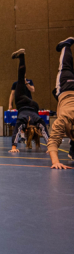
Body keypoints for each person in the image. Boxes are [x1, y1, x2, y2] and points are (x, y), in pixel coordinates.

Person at [9, 49, 48, 153]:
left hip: (34, 105)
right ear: (26, 131)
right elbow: (16, 131)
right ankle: (21, 56)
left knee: (21, 79)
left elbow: (44, 132)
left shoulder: (38, 121)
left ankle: (21, 56)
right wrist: (14, 147)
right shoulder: (22, 121)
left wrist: (50, 147)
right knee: (21, 78)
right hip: (21, 103)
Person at [47, 37, 74, 169]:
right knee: (65, 67)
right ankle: (66, 45)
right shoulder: (64, 119)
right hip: (66, 89)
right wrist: (55, 162)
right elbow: (53, 140)